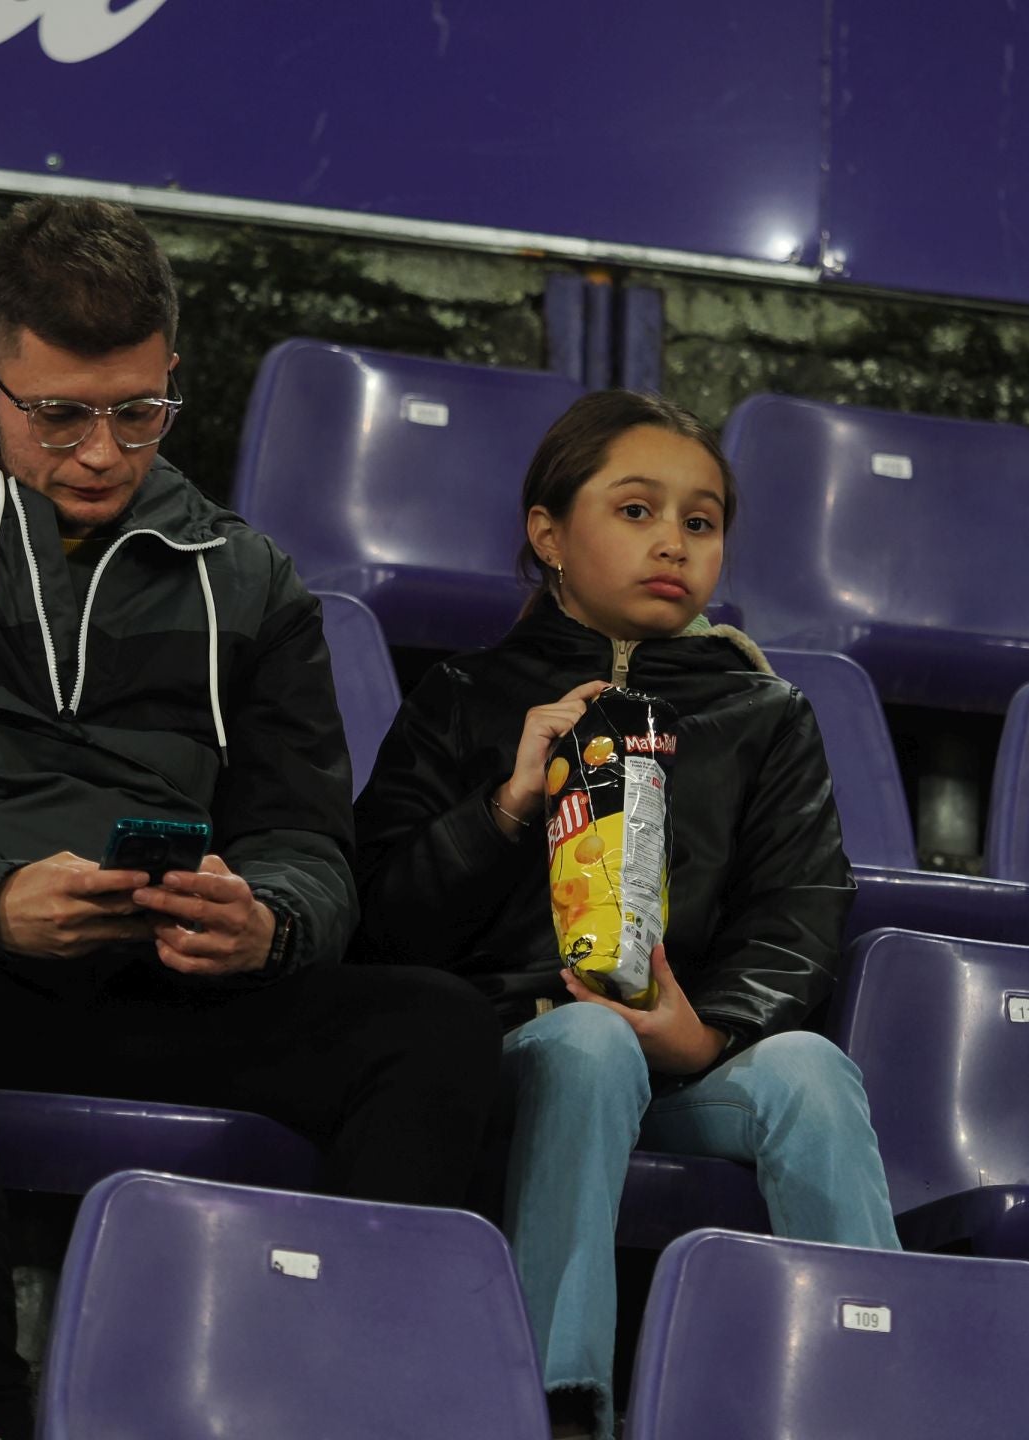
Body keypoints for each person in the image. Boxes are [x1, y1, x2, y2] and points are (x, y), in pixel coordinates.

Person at [0, 197, 499, 1439]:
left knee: (435, 1028)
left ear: (172, 377)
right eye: (62, 416)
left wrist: (266, 921)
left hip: (147, 990)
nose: (101, 452)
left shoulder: (249, 584)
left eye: (139, 413)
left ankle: (314, 1409)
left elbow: (307, 846)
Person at [351, 389, 900, 1440]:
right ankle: (557, 1409)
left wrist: (708, 1032)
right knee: (592, 1042)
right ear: (548, 534)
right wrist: (508, 806)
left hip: (681, 1060)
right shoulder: (464, 695)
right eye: (637, 510)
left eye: (701, 521)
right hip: (508, 1051)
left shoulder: (766, 713)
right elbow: (381, 923)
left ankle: (873, 1403)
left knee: (811, 1070)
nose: (673, 543)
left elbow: (798, 910)